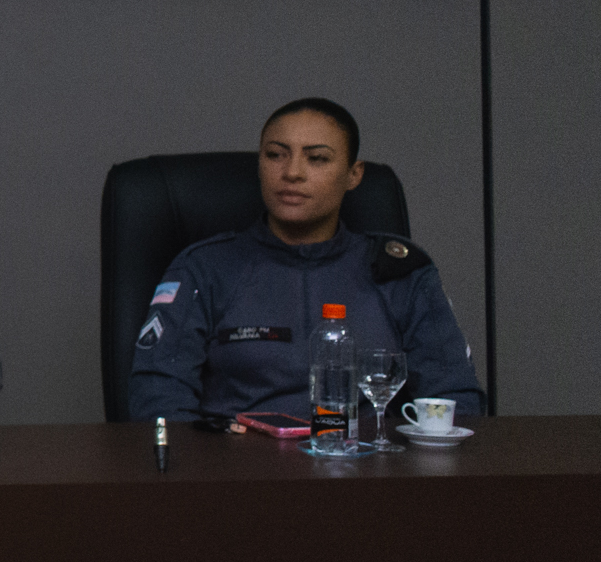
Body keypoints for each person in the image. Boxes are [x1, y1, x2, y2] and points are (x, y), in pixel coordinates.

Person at [127, 96, 484, 425]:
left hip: (366, 465)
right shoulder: (205, 268)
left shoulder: (400, 272)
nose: (292, 172)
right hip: (237, 466)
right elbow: (159, 400)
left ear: (354, 174)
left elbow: (455, 399)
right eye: (275, 155)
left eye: (317, 158)